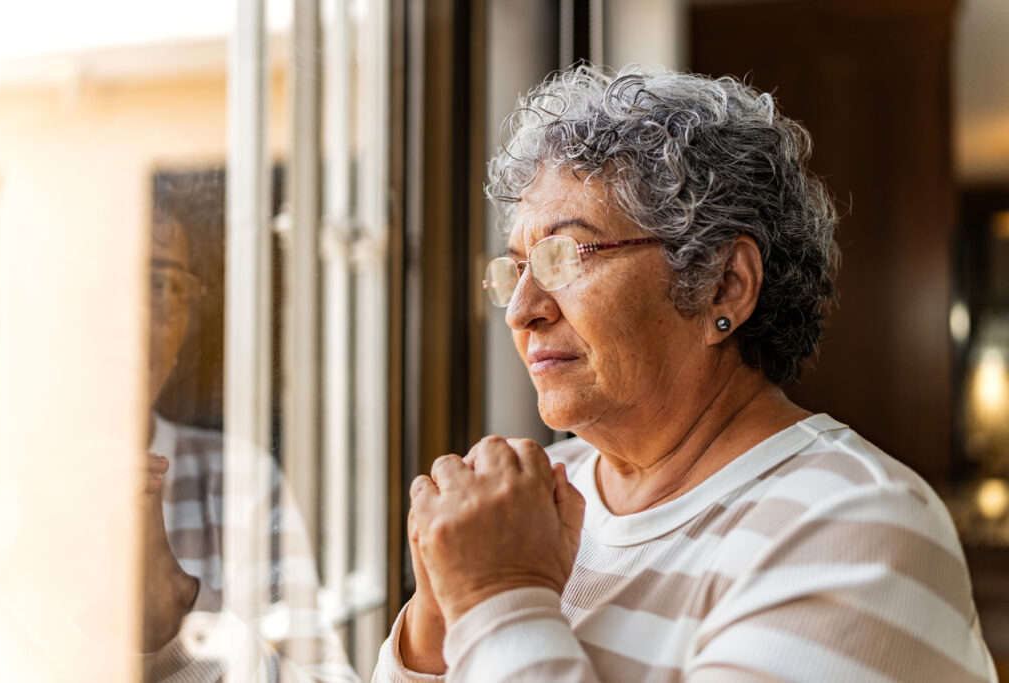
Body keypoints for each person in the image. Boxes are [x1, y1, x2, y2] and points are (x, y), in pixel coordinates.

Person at [374, 67, 998, 681]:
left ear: (724, 286)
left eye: (565, 255)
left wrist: (496, 597)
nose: (522, 310)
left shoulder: (857, 526)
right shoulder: (534, 502)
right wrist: (438, 616)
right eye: (515, 269)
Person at [143, 216, 357, 682]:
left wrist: (177, 606)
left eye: (161, 284)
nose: (133, 312)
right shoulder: (2, 489)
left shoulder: (239, 482)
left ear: (185, 322)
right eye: (106, 278)